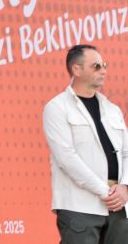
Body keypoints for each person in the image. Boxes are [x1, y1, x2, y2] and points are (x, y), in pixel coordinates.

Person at [43, 44, 128, 243]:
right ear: (76, 69)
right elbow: (67, 158)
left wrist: (124, 186)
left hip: (118, 206)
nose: (103, 71)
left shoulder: (112, 109)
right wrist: (105, 191)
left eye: (104, 65)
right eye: (96, 66)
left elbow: (126, 152)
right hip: (79, 207)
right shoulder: (57, 108)